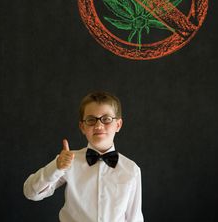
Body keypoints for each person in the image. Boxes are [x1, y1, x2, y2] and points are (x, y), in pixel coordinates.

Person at [23, 91, 144, 222]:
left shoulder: (131, 169)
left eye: (106, 119)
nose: (98, 125)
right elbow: (30, 192)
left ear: (118, 125)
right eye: (91, 120)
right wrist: (56, 167)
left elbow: (134, 218)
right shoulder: (68, 160)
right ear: (82, 127)